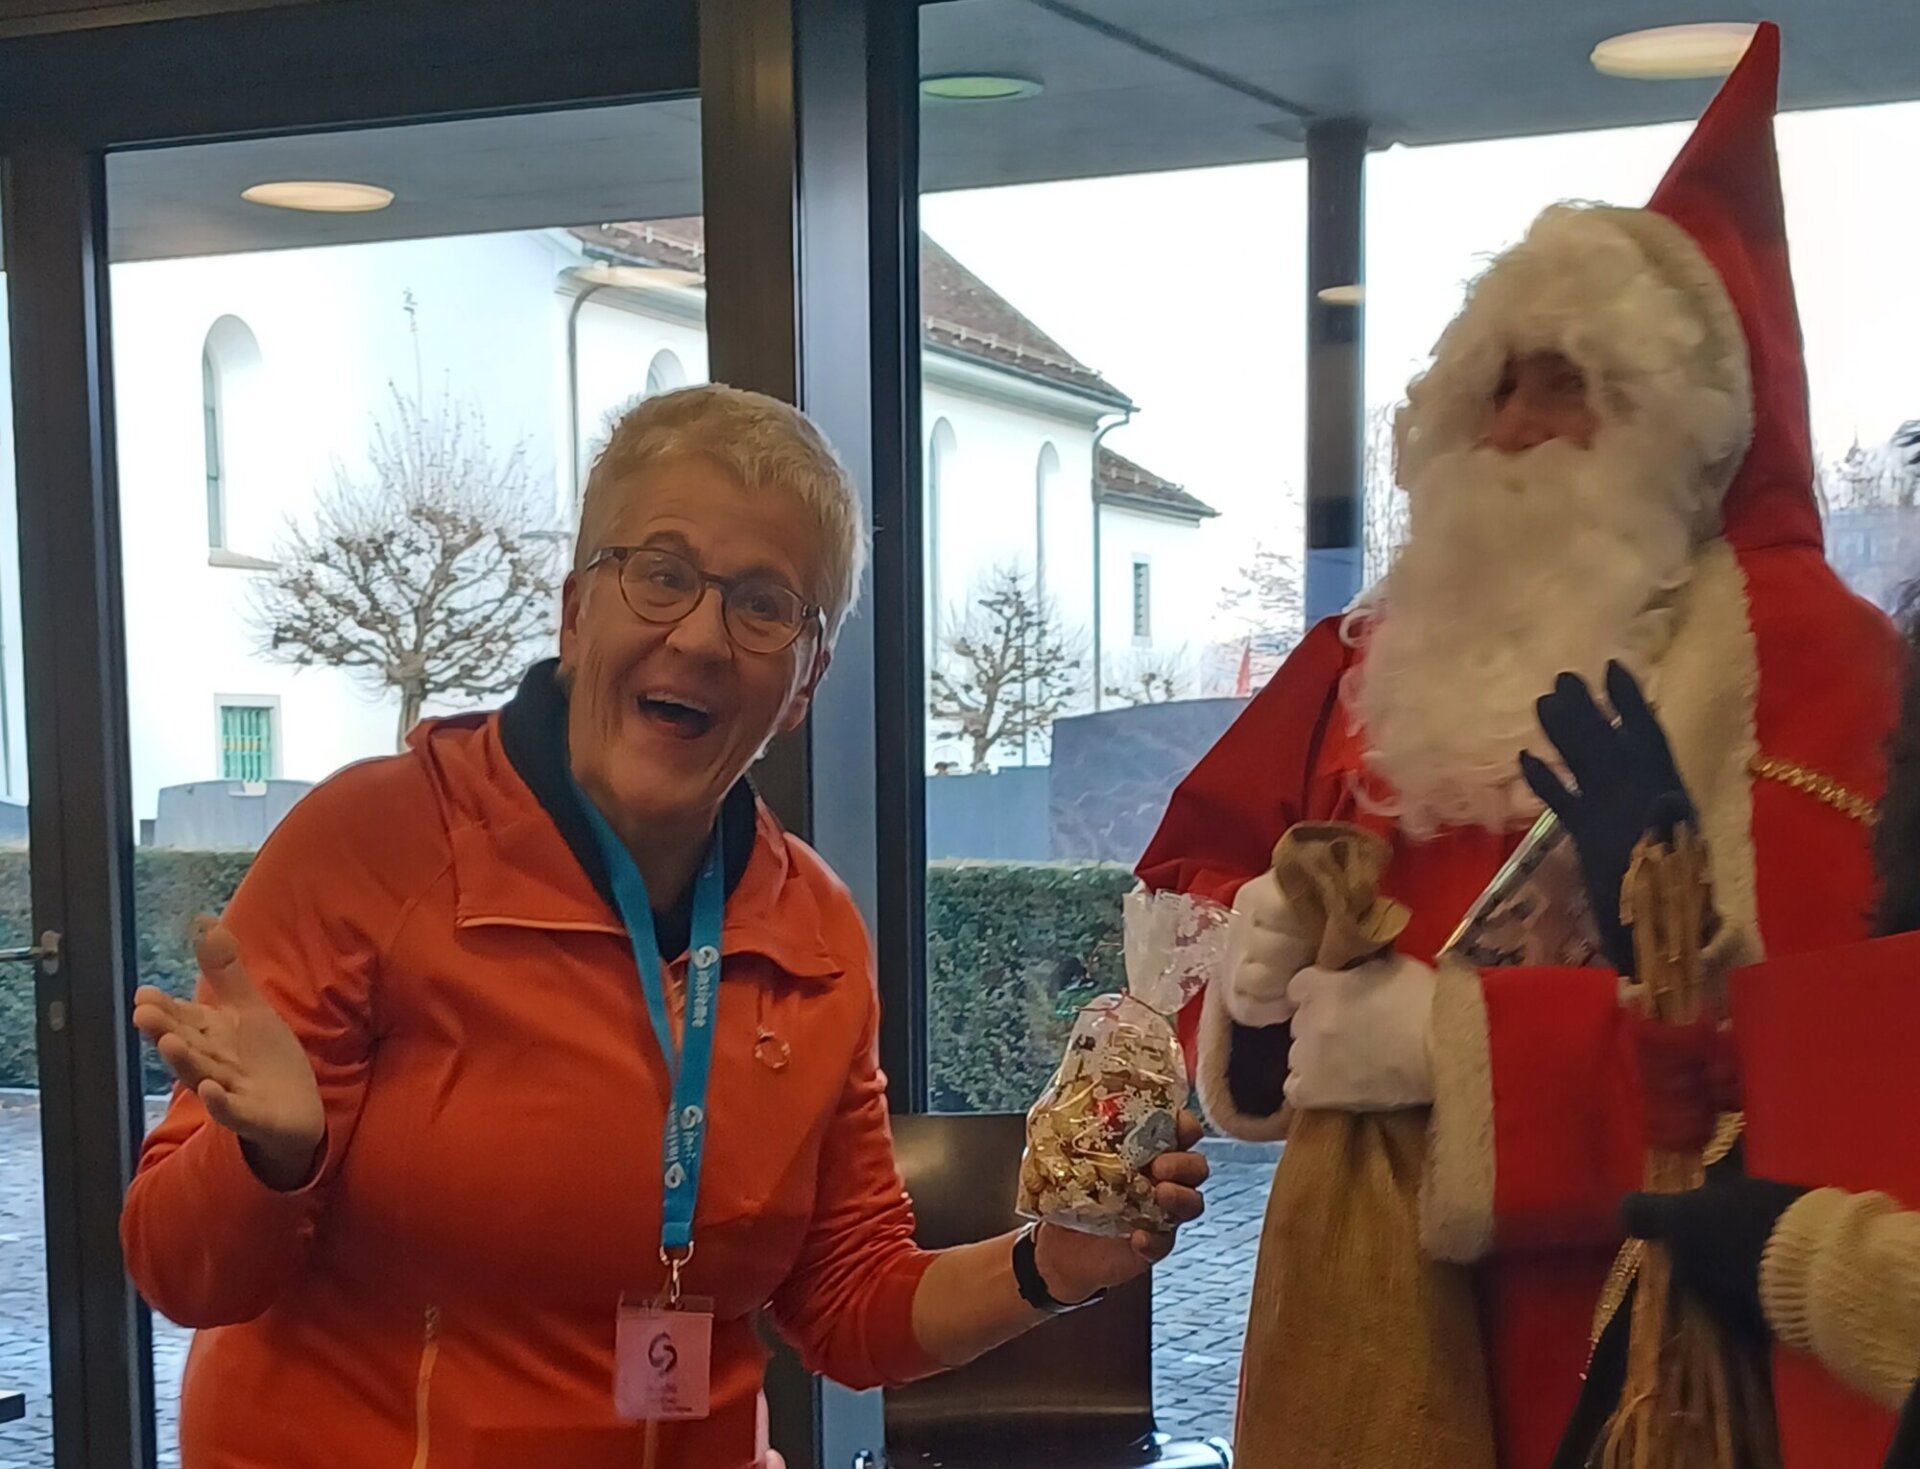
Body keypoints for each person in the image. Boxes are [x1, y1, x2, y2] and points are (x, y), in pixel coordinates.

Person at [121, 385, 1209, 1469]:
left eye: (764, 605)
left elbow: (849, 1297)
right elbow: (177, 1270)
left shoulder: (815, 932)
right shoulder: (370, 847)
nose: (698, 636)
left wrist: (1054, 1265)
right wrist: (271, 1156)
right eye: (661, 574)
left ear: (805, 682)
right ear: (575, 612)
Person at [1136, 24, 1904, 1468]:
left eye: (1563, 384)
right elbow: (1186, 886)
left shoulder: (1815, 666)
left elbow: (1834, 1076)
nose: (1511, 429)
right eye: (1490, 386)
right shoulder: (1372, 651)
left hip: (1657, 1353)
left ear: (1675, 429)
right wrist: (1252, 980)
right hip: (1361, 1331)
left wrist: (1455, 1049)